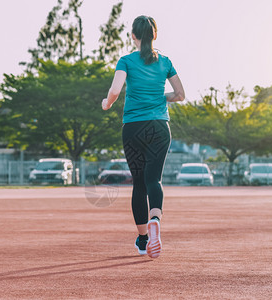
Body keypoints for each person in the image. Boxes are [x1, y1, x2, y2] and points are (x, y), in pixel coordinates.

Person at [102, 15, 185, 258]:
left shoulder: (126, 61)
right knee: (154, 180)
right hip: (159, 127)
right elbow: (180, 94)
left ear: (133, 36)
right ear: (155, 35)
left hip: (134, 128)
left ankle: (142, 239)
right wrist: (162, 98)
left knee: (138, 183)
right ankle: (155, 218)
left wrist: (107, 104)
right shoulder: (166, 62)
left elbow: (115, 90)